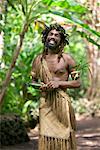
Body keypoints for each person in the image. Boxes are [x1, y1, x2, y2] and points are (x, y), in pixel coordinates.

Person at [31, 23, 80, 150]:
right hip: (46, 104)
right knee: (46, 137)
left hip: (62, 104)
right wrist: (40, 86)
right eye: (50, 34)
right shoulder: (38, 60)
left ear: (61, 40)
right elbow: (33, 81)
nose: (53, 37)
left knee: (64, 136)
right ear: (45, 37)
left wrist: (59, 83)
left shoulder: (68, 59)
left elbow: (77, 83)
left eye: (57, 35)